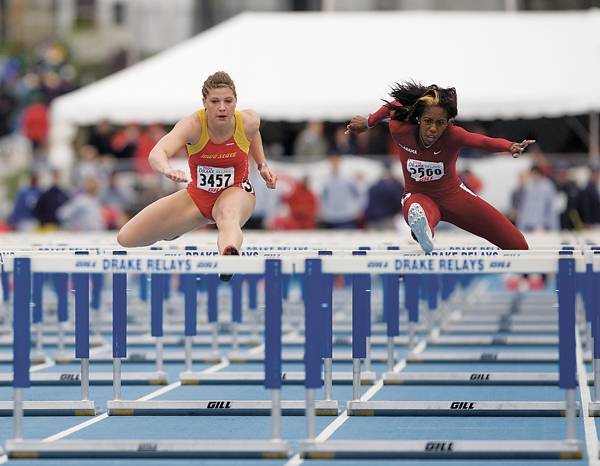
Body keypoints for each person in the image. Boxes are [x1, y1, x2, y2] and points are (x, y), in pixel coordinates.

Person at [117, 71, 277, 279]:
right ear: (205, 103)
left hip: (237, 191)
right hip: (198, 196)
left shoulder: (248, 121)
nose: (222, 107)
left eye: (228, 101)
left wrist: (262, 164)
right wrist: (167, 169)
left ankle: (229, 256)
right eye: (215, 101)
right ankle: (174, 230)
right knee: (126, 237)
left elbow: (253, 133)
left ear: (236, 102)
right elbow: (158, 152)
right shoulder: (192, 125)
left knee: (228, 215)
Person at [346, 81, 533, 252]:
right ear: (419, 119)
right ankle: (423, 232)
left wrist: (509, 146)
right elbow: (392, 106)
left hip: (454, 196)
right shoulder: (400, 129)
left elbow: (481, 141)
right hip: (419, 196)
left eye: (440, 123)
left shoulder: (454, 135)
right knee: (416, 207)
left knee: (518, 245)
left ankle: (422, 229)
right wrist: (369, 122)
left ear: (448, 123)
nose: (433, 129)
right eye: (428, 121)